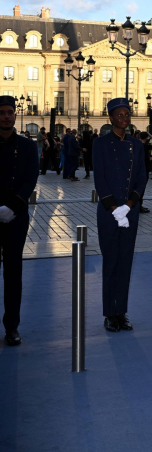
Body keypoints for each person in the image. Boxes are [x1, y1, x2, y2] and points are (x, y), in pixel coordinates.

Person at [93, 98, 147, 332]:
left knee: (125, 262)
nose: (124, 118)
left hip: (130, 211)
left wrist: (130, 204)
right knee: (111, 261)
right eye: (119, 115)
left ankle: (121, 312)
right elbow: (100, 178)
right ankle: (109, 313)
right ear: (111, 117)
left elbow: (141, 177)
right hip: (109, 212)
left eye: (127, 114)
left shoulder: (137, 144)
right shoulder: (100, 143)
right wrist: (115, 208)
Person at [0, 96, 39, 346]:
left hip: (16, 216)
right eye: (2, 112)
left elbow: (31, 177)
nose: (6, 116)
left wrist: (12, 206)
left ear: (15, 115)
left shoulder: (26, 146)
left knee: (14, 273)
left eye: (10, 112)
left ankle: (12, 326)